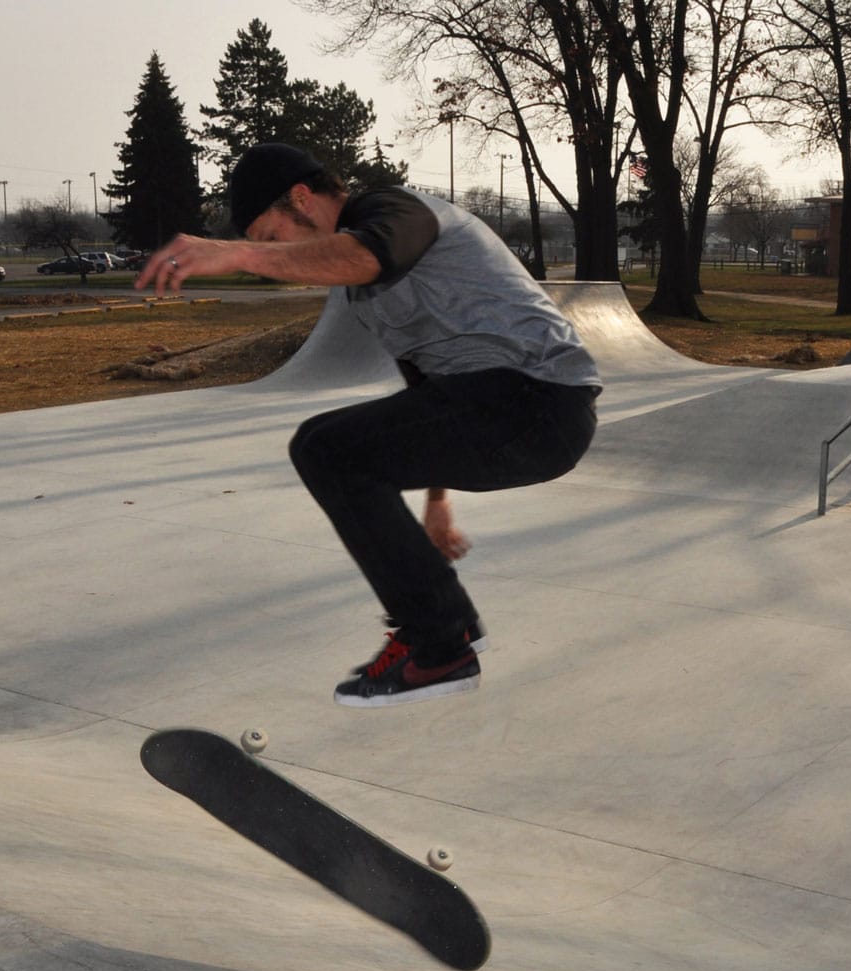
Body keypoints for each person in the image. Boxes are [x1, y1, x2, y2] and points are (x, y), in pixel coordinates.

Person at [136, 143, 601, 707]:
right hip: (501, 415)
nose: (275, 257)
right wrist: (438, 499)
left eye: (272, 235)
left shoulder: (398, 210)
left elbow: (370, 254)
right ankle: (446, 630)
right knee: (336, 450)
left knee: (326, 448)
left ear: (302, 198)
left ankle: (440, 644)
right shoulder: (361, 293)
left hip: (539, 398)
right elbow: (429, 391)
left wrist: (235, 254)